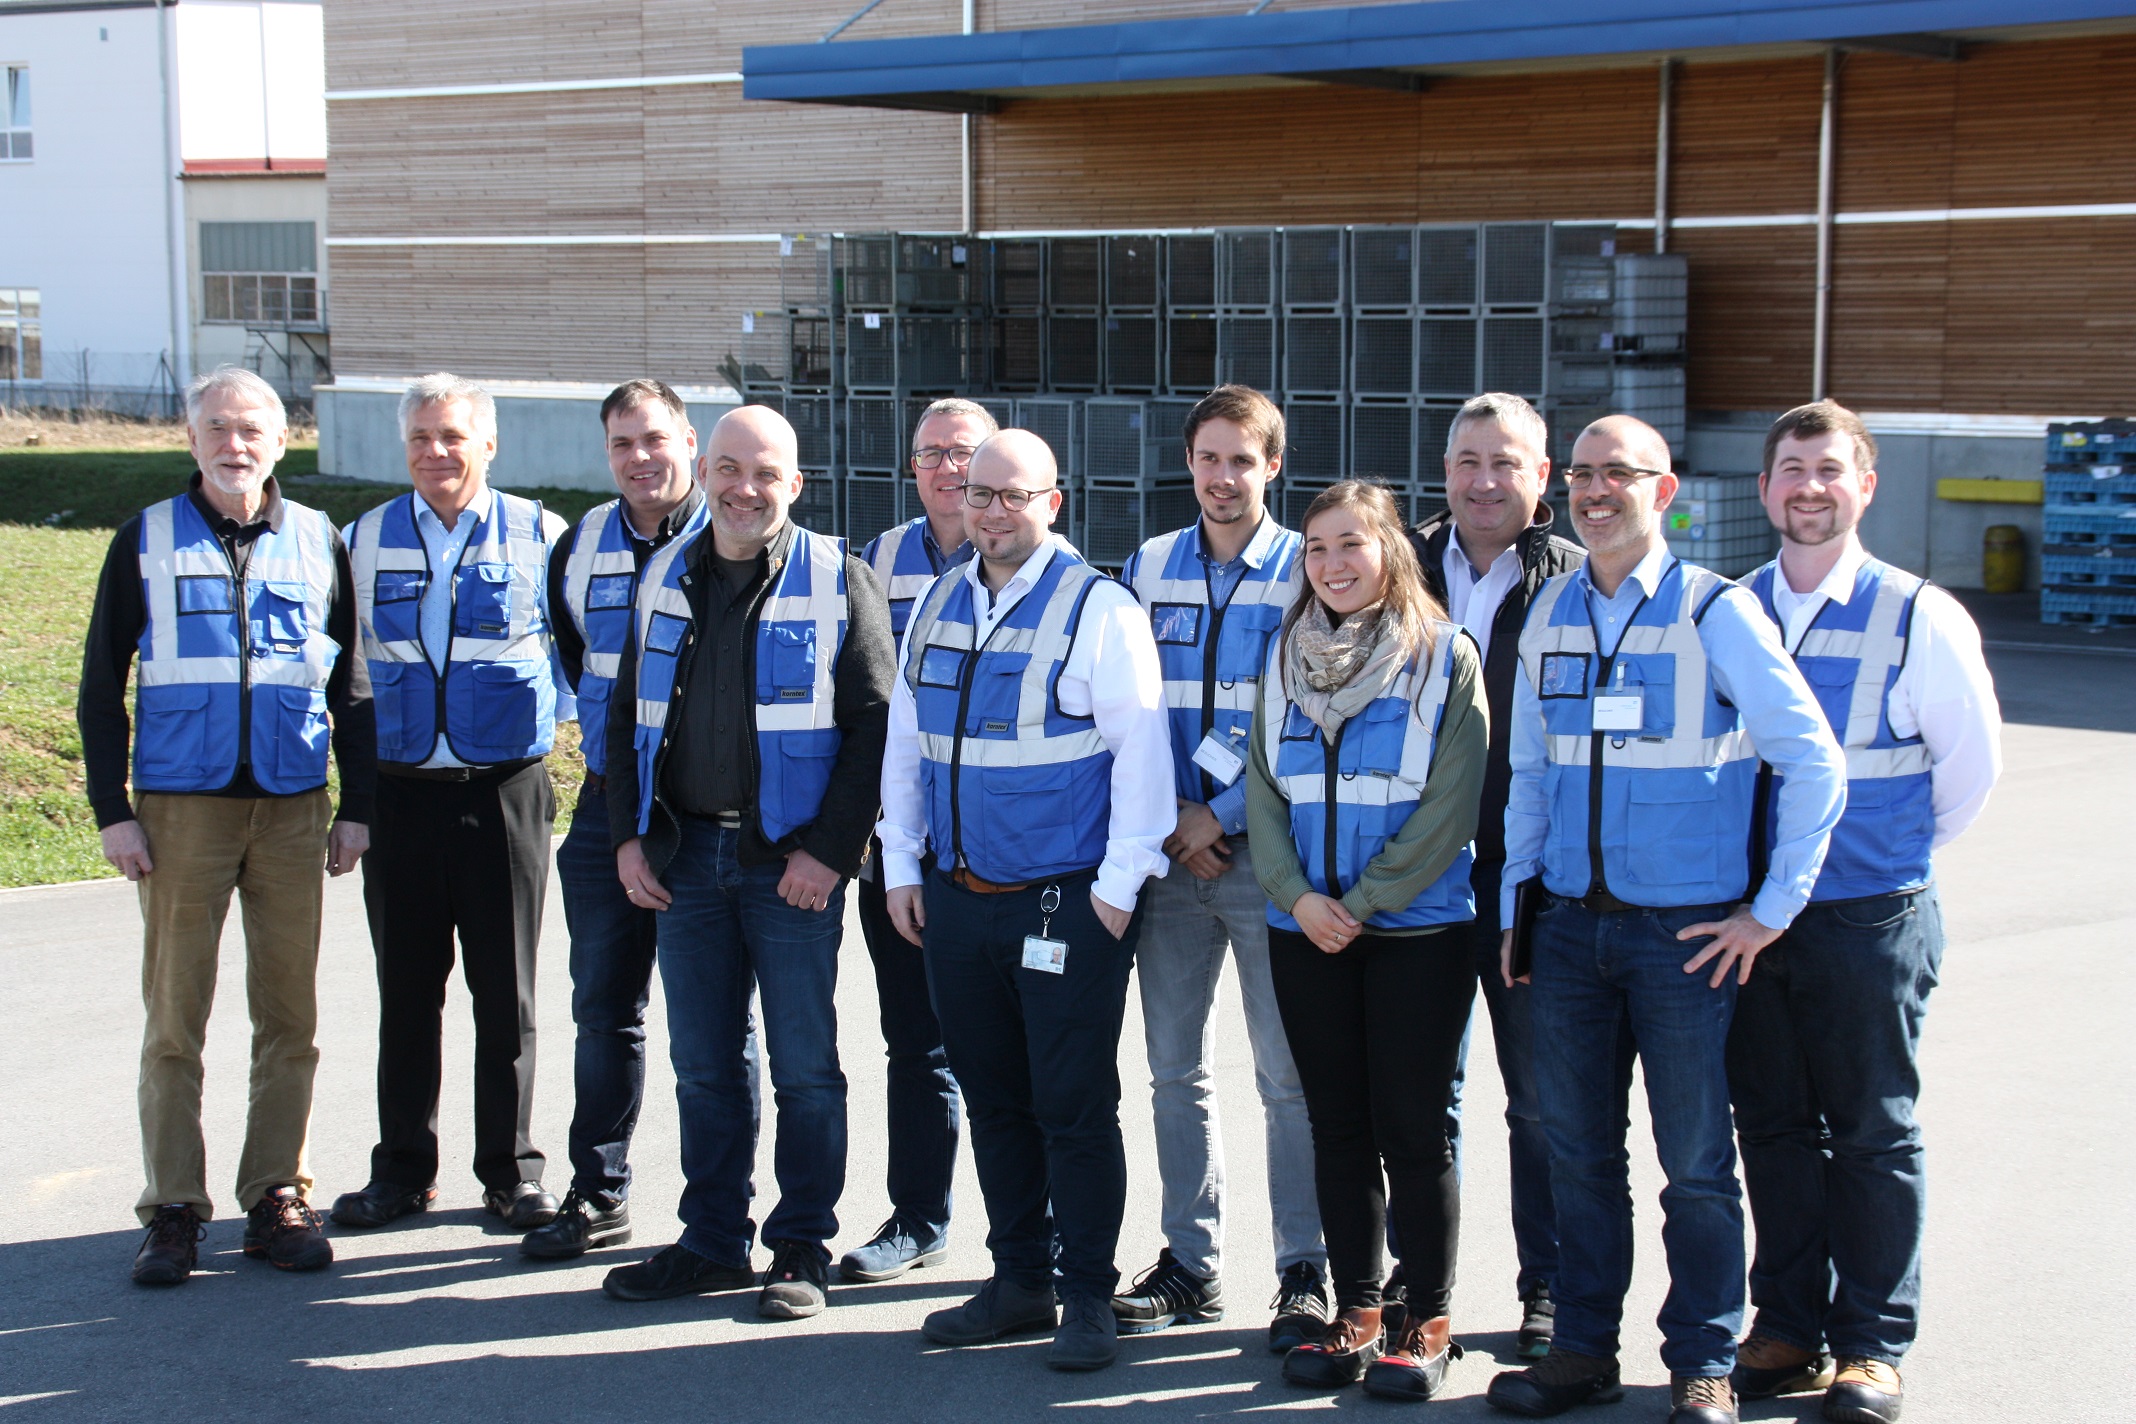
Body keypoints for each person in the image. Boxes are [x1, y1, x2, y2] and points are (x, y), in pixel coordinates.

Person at [1484, 415, 1847, 1424]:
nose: (1599, 491)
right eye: (1586, 475)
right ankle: (1583, 1350)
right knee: (1579, 1155)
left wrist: (1769, 911)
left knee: (1694, 1165)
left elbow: (1814, 759)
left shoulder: (1713, 611)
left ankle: (1703, 1361)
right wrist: (1520, 906)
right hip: (1565, 932)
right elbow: (1530, 777)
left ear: (1666, 489)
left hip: (1683, 939)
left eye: (1621, 475)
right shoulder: (1550, 609)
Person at [877, 429, 1174, 1372]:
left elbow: (1142, 755)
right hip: (959, 902)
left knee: (1074, 1106)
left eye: (1014, 495)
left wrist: (1119, 891)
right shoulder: (935, 599)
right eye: (979, 494)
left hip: (1066, 904)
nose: (993, 511)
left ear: (1055, 502)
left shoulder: (1100, 607)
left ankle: (1086, 1292)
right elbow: (905, 744)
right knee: (997, 1100)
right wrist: (901, 865)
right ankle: (1019, 1280)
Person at [1727, 401, 2001, 1424]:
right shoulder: (1733, 606)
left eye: (1829, 470)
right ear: (1763, 488)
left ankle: (1872, 1347)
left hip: (1866, 916)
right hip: (1754, 920)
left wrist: (1883, 862)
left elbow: (1967, 774)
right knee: (1776, 1129)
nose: (1808, 488)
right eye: (1791, 468)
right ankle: (1790, 1325)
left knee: (1874, 1132)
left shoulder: (1915, 613)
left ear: (1865, 486)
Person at [78, 366, 373, 1285]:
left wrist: (356, 806)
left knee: (290, 1015)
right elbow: (99, 690)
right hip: (178, 814)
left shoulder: (321, 540)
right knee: (176, 1018)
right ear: (190, 436)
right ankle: (172, 1207)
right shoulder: (145, 539)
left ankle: (275, 1194)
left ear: (281, 439)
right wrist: (112, 814)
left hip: (291, 809)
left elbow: (349, 687)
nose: (234, 443)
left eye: (252, 428)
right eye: (217, 427)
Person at [603, 405, 894, 1320]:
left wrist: (831, 854)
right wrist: (626, 836)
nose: (743, 488)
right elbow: (621, 717)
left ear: (795, 484)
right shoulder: (664, 575)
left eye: (764, 472)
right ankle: (712, 1240)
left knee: (804, 1064)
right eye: (728, 468)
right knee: (704, 1063)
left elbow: (875, 728)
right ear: (704, 467)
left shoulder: (836, 577)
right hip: (684, 856)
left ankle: (802, 1241)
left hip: (789, 867)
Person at [1244, 480, 1487, 1401]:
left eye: (1351, 544)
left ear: (1390, 550)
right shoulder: (1283, 655)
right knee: (1335, 1125)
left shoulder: (1443, 655)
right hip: (1305, 928)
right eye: (1316, 549)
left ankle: (1425, 1314)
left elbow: (1453, 801)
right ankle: (1358, 1306)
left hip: (1416, 930)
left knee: (1415, 1132)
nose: (1333, 565)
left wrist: (1368, 898)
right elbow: (1265, 792)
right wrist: (1297, 896)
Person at [333, 372, 571, 1236]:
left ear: (489, 444)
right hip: (399, 796)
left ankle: (511, 1172)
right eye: (422, 438)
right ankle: (402, 1169)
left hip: (504, 791)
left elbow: (578, 656)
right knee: (406, 991)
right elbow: (340, 672)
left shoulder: (543, 535)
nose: (437, 452)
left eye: (453, 436)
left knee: (504, 994)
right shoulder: (359, 540)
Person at [1117, 385, 1329, 1350]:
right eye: (1208, 458)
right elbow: (1123, 710)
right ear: (1188, 462)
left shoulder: (1308, 566)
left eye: (1242, 460)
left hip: (1267, 861)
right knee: (1172, 1072)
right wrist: (1171, 819)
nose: (1222, 477)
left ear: (1272, 466)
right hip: (1168, 860)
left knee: (1287, 1078)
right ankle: (1190, 1265)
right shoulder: (1148, 564)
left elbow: (1315, 713)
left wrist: (1223, 813)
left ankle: (1305, 1270)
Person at [1409, 392, 1583, 1356]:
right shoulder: (1400, 564)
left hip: (1530, 889)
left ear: (1541, 476)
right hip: (1417, 881)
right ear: (1445, 469)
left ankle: (1548, 1292)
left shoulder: (1571, 578)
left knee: (1542, 1105)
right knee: (1418, 1098)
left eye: (1506, 462)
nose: (1484, 480)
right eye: (1469, 460)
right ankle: (1415, 1288)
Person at [517, 380, 706, 1260]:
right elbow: (577, 657)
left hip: (704, 812)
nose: (641, 458)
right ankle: (598, 1192)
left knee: (718, 1026)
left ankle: (719, 1214)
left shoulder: (730, 531)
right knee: (604, 1008)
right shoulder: (580, 543)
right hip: (604, 806)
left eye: (656, 439)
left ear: (690, 442)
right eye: (623, 444)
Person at [839, 396, 988, 1284]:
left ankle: (1041, 1235)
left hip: (1002, 847)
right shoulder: (876, 561)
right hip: (900, 845)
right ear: (912, 468)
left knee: (1012, 1048)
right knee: (916, 1043)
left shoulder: (1032, 554)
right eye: (930, 453)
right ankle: (918, 1216)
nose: (947, 469)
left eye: (963, 452)